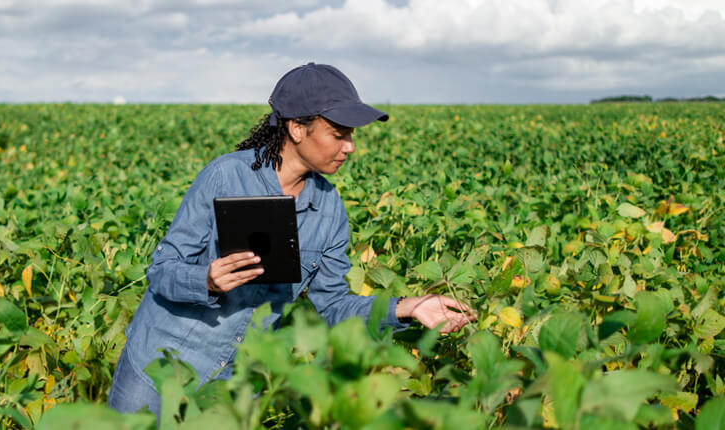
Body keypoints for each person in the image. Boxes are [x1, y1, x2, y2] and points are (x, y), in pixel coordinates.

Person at [107, 62, 476, 417]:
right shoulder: (226, 177)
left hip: (236, 383)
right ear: (297, 129)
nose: (350, 147)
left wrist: (407, 307)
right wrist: (206, 279)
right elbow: (162, 270)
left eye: (350, 136)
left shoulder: (330, 211)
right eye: (339, 134)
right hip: (160, 366)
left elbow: (331, 307)